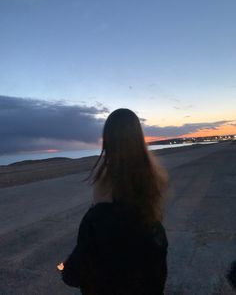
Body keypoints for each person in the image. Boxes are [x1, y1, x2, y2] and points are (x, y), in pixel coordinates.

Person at [59, 108, 169, 295]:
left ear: (108, 141)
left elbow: (74, 274)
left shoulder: (101, 215)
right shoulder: (150, 201)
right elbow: (158, 270)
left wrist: (64, 268)